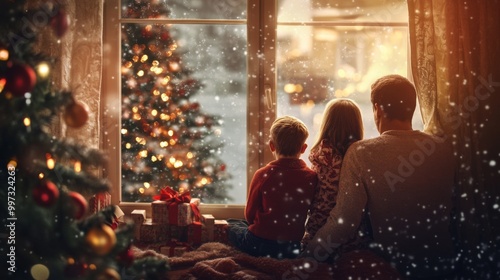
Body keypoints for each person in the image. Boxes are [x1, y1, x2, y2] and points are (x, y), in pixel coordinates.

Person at [300, 75, 457, 279]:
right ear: (412, 107)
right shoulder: (442, 148)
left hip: (394, 267)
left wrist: (309, 254)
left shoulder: (362, 153)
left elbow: (344, 223)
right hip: (444, 264)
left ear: (377, 109)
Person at [228, 115, 317, 259]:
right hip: (291, 247)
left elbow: (249, 215)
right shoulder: (312, 177)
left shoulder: (263, 174)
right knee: (242, 226)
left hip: (259, 243)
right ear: (304, 148)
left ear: (271, 146)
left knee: (232, 224)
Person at [301, 98, 367, 251]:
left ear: (327, 123)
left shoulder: (322, 153)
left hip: (319, 226)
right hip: (354, 233)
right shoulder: (360, 154)